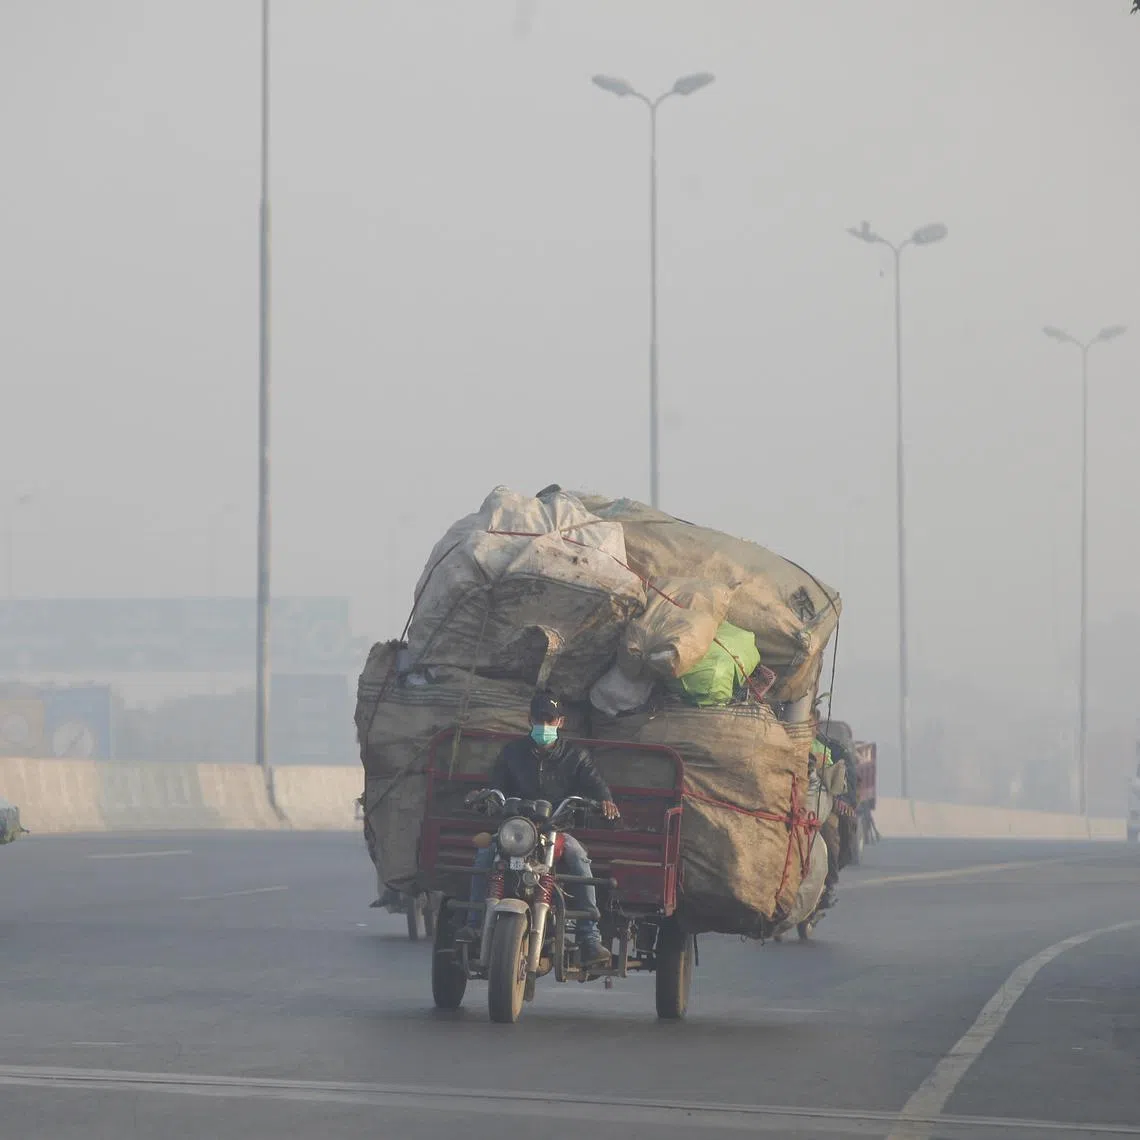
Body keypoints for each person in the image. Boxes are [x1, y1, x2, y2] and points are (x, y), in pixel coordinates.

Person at [460, 689, 619, 968]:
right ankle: (474, 924)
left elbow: (596, 785)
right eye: (539, 718)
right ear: (529, 719)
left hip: (555, 830)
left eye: (550, 719)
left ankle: (589, 937)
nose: (544, 724)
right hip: (516, 830)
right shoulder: (512, 753)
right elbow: (496, 785)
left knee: (579, 857)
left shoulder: (576, 757)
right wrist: (485, 796)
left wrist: (605, 801)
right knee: (485, 856)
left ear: (560, 722)